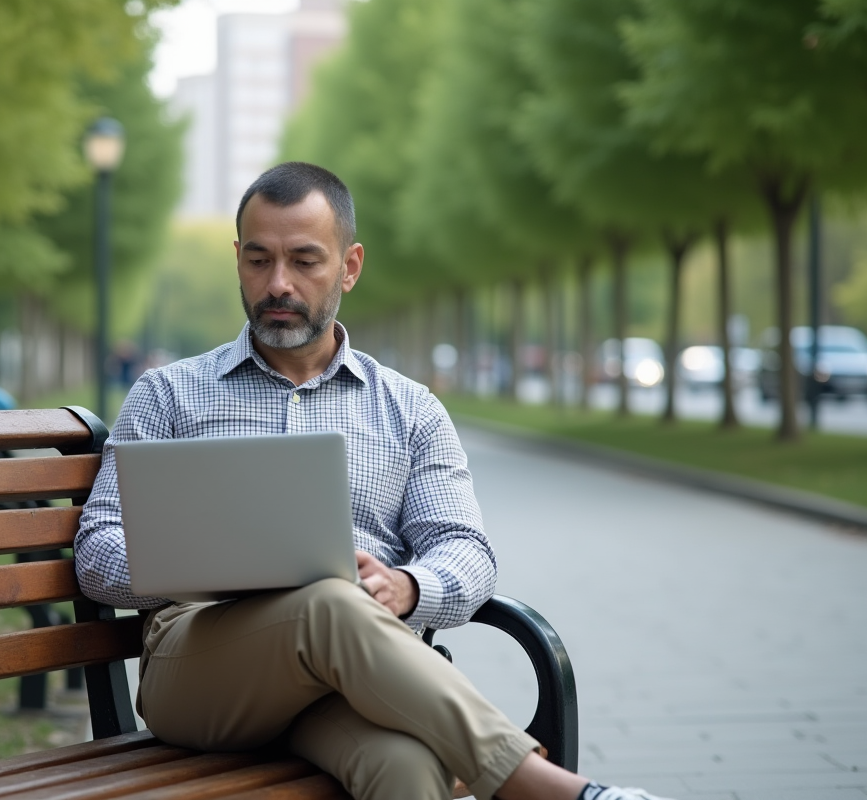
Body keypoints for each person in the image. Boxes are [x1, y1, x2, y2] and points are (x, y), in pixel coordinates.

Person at [75, 162, 673, 800]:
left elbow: (466, 551)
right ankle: (543, 786)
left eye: (305, 261)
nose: (277, 283)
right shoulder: (168, 394)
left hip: (350, 679)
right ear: (238, 261)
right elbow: (96, 551)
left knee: (406, 768)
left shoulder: (410, 410)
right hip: (202, 673)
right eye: (258, 260)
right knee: (330, 603)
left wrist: (408, 587)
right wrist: (202, 564)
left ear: (350, 267)